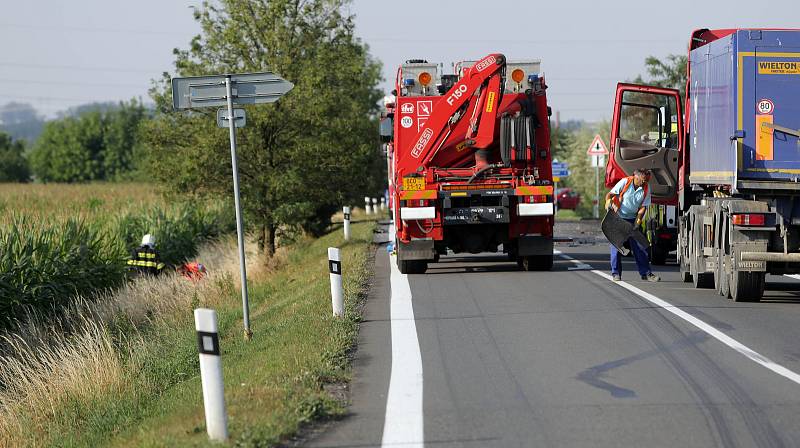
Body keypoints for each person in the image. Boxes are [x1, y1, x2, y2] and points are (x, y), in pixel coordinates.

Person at [605, 169, 660, 282]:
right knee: (617, 247)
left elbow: (643, 207)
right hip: (618, 218)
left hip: (632, 220)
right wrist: (608, 203)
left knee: (640, 247)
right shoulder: (625, 182)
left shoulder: (646, 188)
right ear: (636, 177)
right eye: (643, 181)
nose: (644, 183)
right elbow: (610, 195)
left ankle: (646, 274)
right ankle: (616, 274)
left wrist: (638, 221)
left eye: (646, 181)